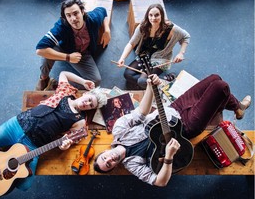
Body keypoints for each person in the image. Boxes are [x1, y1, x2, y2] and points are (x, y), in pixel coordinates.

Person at [93, 74, 251, 186]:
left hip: (173, 109)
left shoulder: (119, 130)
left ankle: (237, 108)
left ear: (104, 152)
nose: (109, 160)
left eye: (104, 158)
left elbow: (141, 111)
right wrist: (168, 157)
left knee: (215, 78)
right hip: (186, 128)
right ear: (113, 168)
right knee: (220, 86)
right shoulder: (133, 165)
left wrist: (150, 86)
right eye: (108, 165)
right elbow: (160, 182)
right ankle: (236, 106)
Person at [0, 71, 107, 191]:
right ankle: (5, 153)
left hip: (33, 146)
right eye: (89, 99)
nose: (87, 104)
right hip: (16, 125)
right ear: (86, 94)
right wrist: (83, 81)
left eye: (91, 105)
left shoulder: (80, 122)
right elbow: (64, 73)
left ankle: (7, 156)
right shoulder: (67, 91)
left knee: (25, 185)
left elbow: (67, 142)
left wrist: (64, 146)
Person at [35, 0, 111, 91]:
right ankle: (44, 79)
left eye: (76, 13)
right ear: (65, 17)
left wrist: (107, 30)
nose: (73, 19)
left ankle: (59, 85)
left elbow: (103, 10)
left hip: (82, 53)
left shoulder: (93, 18)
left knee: (95, 81)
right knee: (46, 53)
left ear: (83, 12)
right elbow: (39, 50)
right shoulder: (61, 26)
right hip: (65, 49)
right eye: (68, 15)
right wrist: (68, 57)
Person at [117, 3, 190, 88]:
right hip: (145, 55)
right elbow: (131, 43)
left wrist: (181, 53)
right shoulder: (143, 26)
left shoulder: (171, 28)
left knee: (142, 81)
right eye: (150, 15)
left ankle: (165, 79)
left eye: (156, 15)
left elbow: (186, 36)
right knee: (127, 74)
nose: (153, 18)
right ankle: (159, 81)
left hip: (160, 58)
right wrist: (122, 58)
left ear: (162, 15)